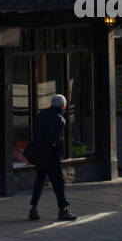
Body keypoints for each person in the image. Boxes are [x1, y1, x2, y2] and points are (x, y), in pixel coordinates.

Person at [27, 94, 77, 222]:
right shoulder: (59, 119)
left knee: (39, 181)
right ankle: (63, 210)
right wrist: (58, 140)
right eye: (65, 105)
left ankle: (33, 208)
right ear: (62, 106)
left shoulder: (42, 114)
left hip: (39, 154)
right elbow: (51, 138)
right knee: (58, 183)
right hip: (51, 156)